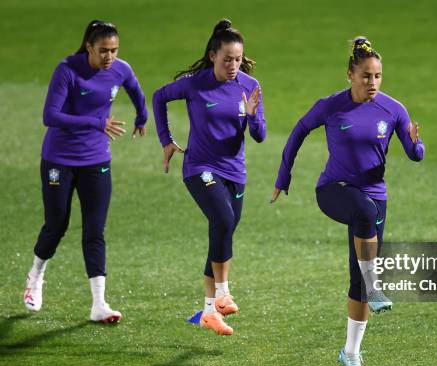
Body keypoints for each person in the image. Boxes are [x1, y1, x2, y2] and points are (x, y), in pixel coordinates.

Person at [271, 37, 424, 366]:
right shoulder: (331, 106)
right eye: (367, 76)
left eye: (378, 76)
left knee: (356, 277)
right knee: (364, 215)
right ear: (350, 75)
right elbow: (298, 132)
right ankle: (375, 285)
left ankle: (351, 354)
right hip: (333, 190)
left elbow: (415, 153)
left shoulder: (393, 109)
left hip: (374, 196)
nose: (373, 83)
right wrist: (284, 176)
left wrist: (417, 146)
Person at [23, 20, 148, 323]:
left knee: (95, 230)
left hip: (96, 160)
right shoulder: (67, 70)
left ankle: (99, 304)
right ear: (89, 47)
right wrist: (95, 122)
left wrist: (142, 116)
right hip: (59, 160)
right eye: (103, 50)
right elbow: (49, 116)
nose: (109, 57)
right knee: (57, 224)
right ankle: (35, 277)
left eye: (114, 50)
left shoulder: (120, 68)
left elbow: (134, 88)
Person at [152, 19, 265, 336]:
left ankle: (208, 312)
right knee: (223, 220)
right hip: (199, 166)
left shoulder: (248, 86)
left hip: (235, 171)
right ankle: (223, 293)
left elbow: (259, 136)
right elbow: (159, 97)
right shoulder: (194, 83)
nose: (233, 65)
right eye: (227, 58)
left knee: (223, 231)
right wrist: (166, 139)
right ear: (213, 55)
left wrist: (253, 117)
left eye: (238, 59)